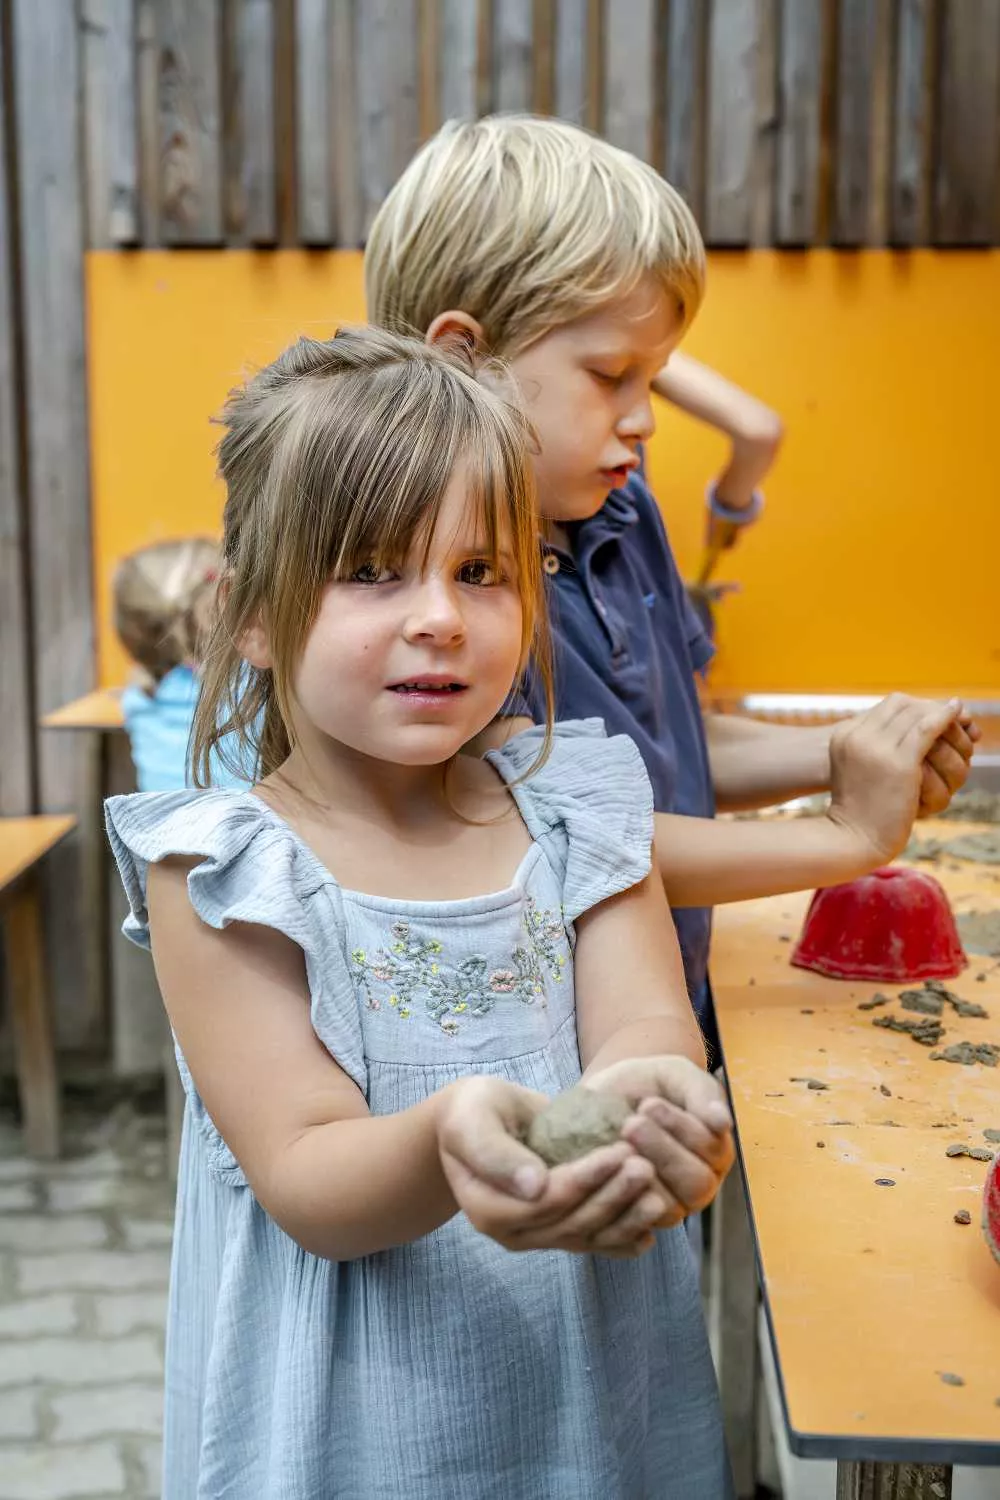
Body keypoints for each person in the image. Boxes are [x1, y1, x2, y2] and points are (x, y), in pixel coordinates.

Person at [106, 327, 743, 1498]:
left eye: (482, 573)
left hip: (592, 1403)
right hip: (357, 1434)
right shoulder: (223, 870)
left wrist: (666, 1112)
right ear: (250, 616)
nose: (441, 617)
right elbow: (307, 1177)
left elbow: (647, 1027)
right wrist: (449, 1138)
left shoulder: (578, 812)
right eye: (371, 570)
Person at [364, 114, 979, 1051]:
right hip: (538, 1063)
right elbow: (561, 834)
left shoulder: (619, 508)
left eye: (653, 376)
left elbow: (673, 750)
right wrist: (842, 839)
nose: (645, 418)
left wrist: (851, 758)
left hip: (665, 1012)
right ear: (463, 361)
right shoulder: (445, 601)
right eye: (612, 375)